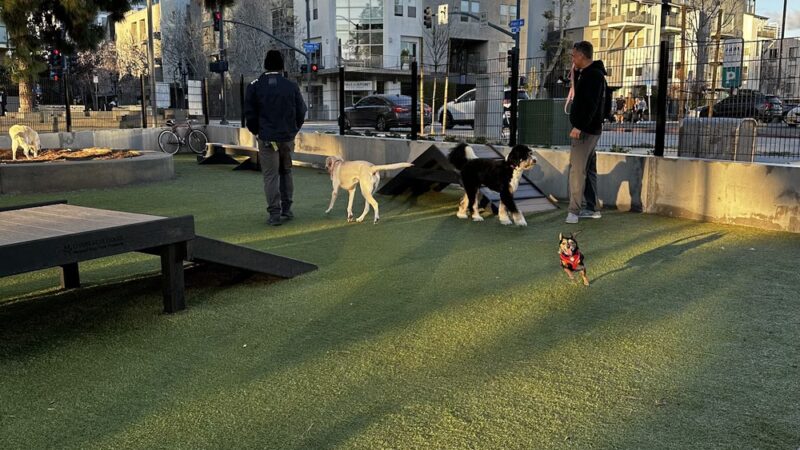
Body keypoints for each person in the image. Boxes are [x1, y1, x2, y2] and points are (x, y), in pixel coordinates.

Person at [244, 50, 307, 226]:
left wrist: (257, 131)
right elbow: (301, 111)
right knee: (286, 171)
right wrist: (293, 131)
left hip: (266, 138)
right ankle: (287, 208)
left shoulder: (255, 86)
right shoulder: (291, 86)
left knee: (270, 175)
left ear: (265, 65)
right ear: (282, 66)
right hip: (286, 137)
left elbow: (250, 114)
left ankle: (274, 213)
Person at [566, 41, 606, 224]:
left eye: (574, 56)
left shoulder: (593, 77)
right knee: (588, 170)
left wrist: (579, 126)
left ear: (582, 56)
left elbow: (591, 104)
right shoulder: (590, 74)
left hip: (586, 131)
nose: (572, 59)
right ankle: (592, 208)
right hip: (591, 129)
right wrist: (574, 72)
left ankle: (574, 212)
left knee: (577, 170)